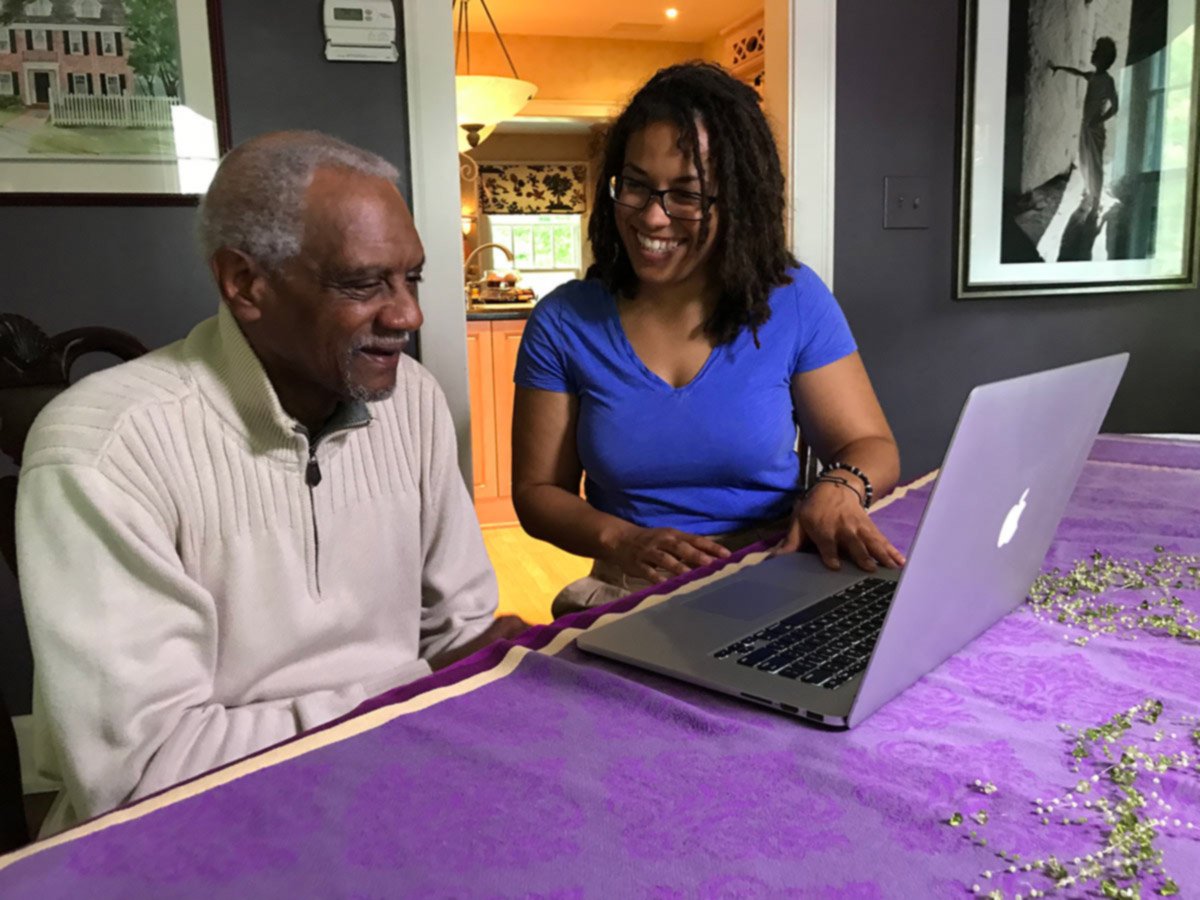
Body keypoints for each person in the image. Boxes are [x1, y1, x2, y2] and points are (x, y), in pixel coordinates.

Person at [17, 130, 527, 835]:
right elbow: (139, 776)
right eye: (364, 282)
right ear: (245, 283)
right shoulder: (105, 448)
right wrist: (415, 691)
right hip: (199, 833)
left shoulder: (411, 397)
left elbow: (463, 635)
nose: (408, 315)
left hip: (397, 778)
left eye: (412, 277)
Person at [512, 62, 903, 619]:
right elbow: (536, 493)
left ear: (739, 201)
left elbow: (870, 446)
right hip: (630, 591)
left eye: (687, 195)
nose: (652, 216)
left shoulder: (794, 299)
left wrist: (839, 488)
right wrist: (623, 541)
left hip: (776, 571)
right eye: (637, 186)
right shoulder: (563, 322)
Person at [1050, 38, 1120, 213]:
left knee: (1095, 163)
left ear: (1103, 58)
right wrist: (1059, 68)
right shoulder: (1093, 76)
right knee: (1085, 159)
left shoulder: (1107, 81)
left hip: (1094, 129)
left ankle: (1096, 200)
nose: (1093, 53)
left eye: (1096, 51)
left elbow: (1115, 107)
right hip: (1086, 126)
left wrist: (1098, 120)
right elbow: (1077, 73)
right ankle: (1090, 189)